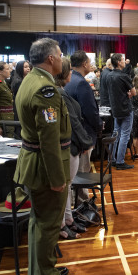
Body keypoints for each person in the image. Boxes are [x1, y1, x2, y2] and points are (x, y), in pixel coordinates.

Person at [13, 38, 78, 275]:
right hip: (46, 166)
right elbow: (49, 140)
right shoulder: (45, 90)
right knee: (49, 225)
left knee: (38, 221)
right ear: (51, 59)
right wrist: (58, 179)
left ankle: (39, 270)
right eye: (60, 54)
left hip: (33, 163)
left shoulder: (32, 80)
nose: (63, 59)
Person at [55, 58, 93, 240]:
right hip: (69, 146)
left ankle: (68, 220)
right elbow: (73, 122)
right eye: (69, 70)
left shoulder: (62, 91)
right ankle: (62, 224)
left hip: (72, 145)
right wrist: (86, 143)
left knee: (67, 187)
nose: (71, 73)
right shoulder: (59, 94)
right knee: (65, 188)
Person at [65, 51, 103, 200]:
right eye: (89, 62)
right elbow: (90, 112)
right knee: (82, 171)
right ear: (84, 64)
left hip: (73, 133)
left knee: (77, 172)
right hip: (83, 135)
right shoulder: (81, 82)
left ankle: (79, 202)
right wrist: (99, 126)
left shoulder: (70, 79)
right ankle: (83, 206)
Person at [108, 53, 136, 170]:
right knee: (125, 135)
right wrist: (128, 95)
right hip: (125, 108)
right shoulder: (124, 76)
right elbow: (134, 93)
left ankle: (112, 159)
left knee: (116, 133)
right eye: (123, 60)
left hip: (115, 108)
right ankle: (120, 161)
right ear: (119, 62)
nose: (125, 62)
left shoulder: (109, 75)